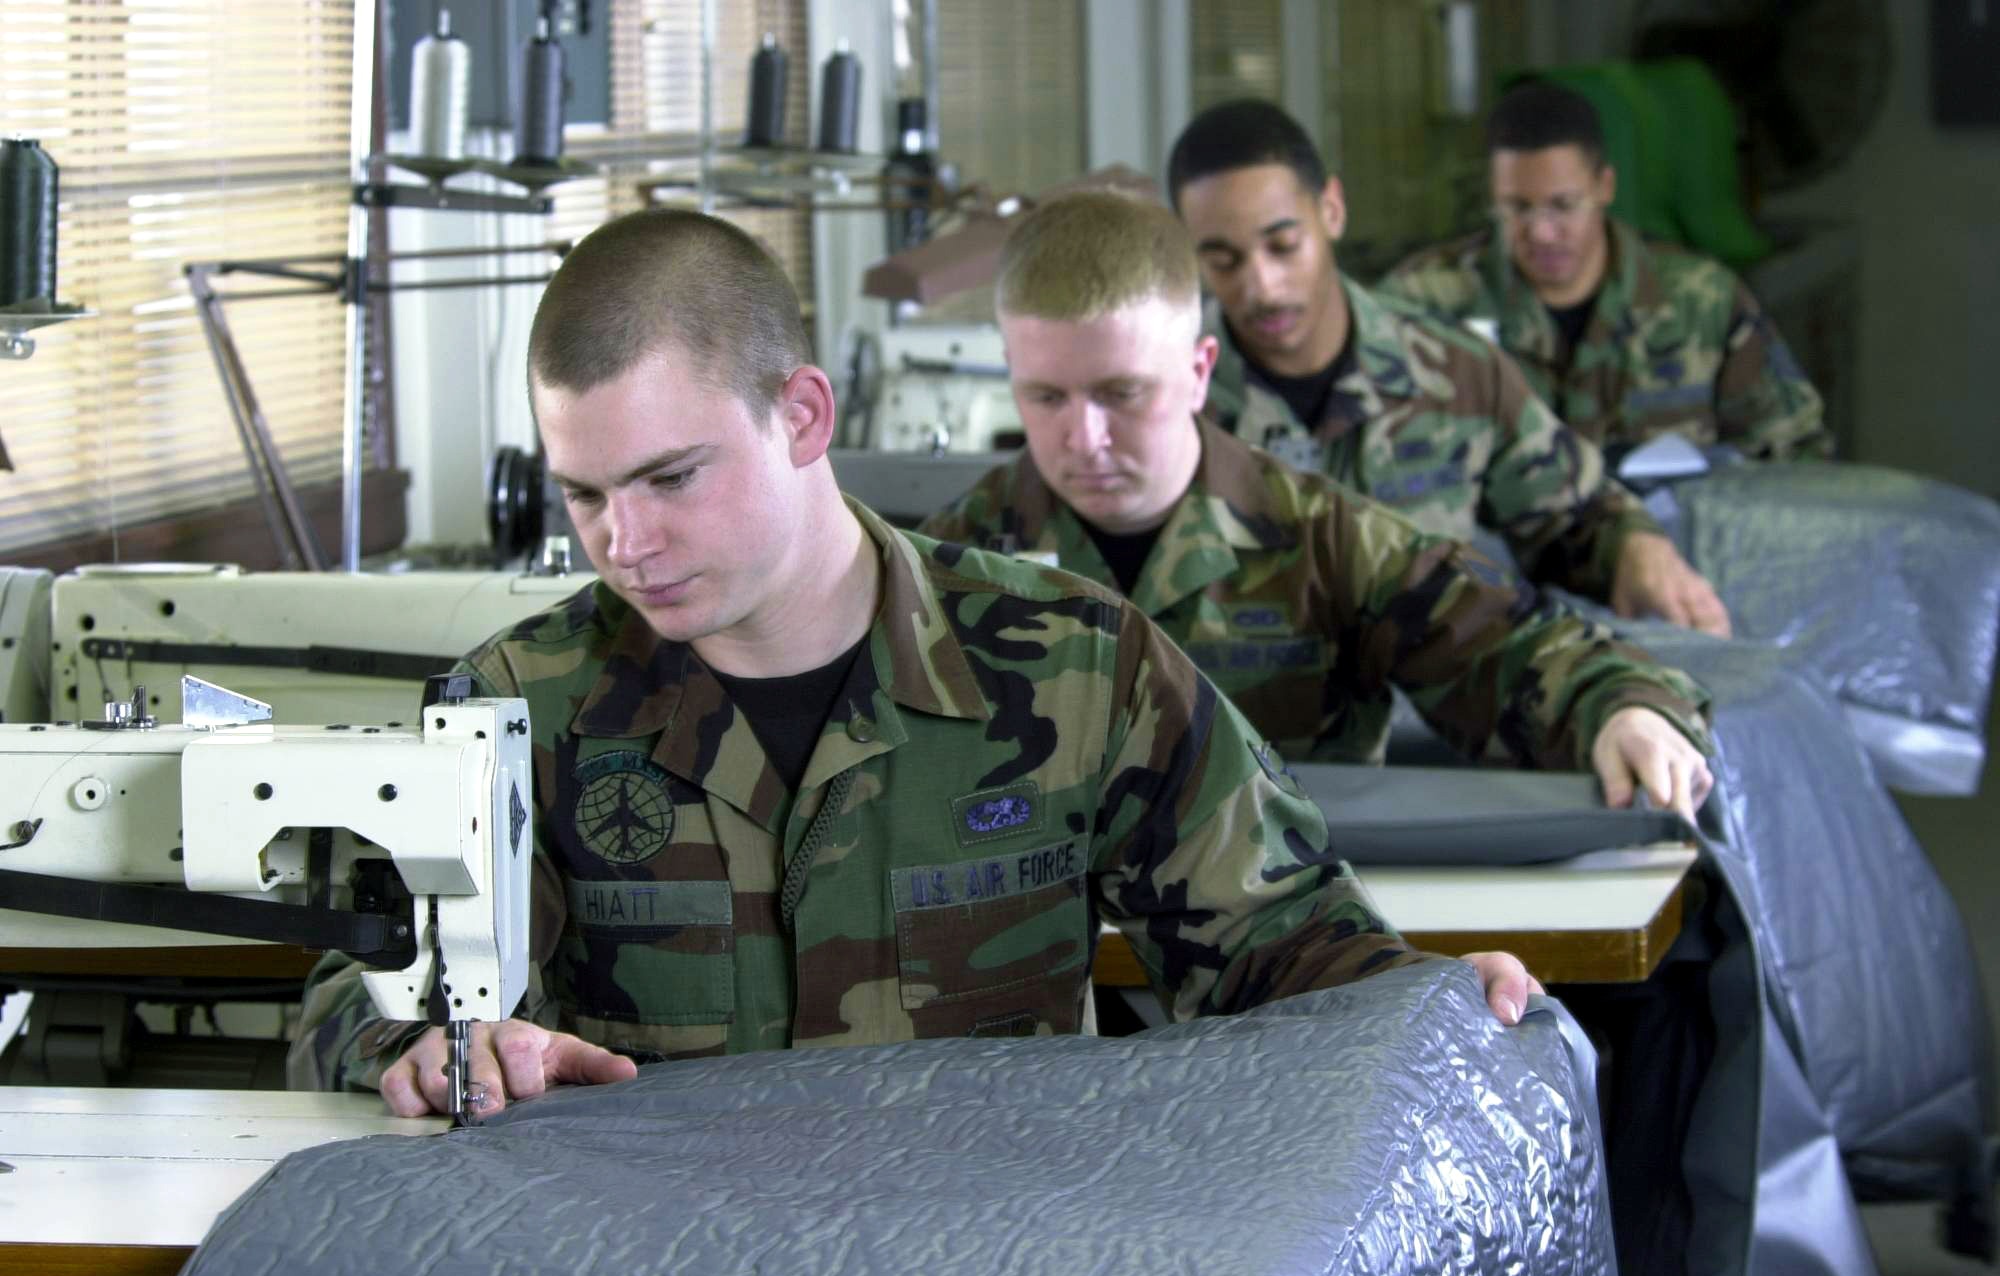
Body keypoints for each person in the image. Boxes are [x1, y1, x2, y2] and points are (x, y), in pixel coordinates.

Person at [289, 209, 1536, 1118]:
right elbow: (352, 983)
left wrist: (1415, 1001)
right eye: (585, 493)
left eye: (671, 477)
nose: (627, 541)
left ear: (804, 417)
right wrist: (422, 1045)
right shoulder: (517, 706)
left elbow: (1281, 941)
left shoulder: (1070, 668)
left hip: (994, 1253)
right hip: (656, 1269)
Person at [920, 190, 1714, 808]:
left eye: (1121, 393)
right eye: (1046, 397)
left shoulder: (1321, 539)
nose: (1083, 438)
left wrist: (1626, 711)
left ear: (1200, 370)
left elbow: (1507, 643)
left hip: (1290, 966)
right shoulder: (953, 562)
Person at [1165, 99, 1732, 638]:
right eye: (1222, 260)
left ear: (1332, 211)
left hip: (1433, 720)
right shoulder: (1162, 400)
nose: (1261, 287)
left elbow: (1572, 516)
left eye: (1284, 245)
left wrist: (1635, 549)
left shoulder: (1456, 372)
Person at [1380, 80, 1827, 461]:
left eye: (1563, 205)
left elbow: (1796, 459)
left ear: (1604, 187)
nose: (1542, 233)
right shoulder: (1422, 304)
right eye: (1517, 208)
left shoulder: (1703, 303)